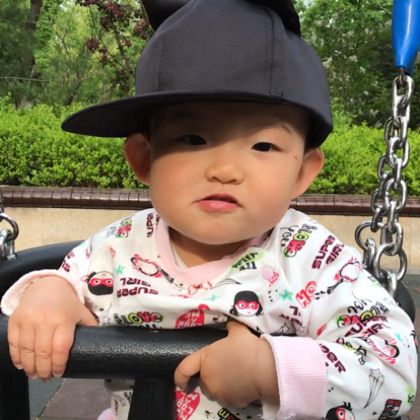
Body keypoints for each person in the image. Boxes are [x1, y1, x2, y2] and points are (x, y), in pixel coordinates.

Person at [1, 0, 417, 419]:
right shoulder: (117, 248)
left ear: (302, 173)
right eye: (193, 139)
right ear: (144, 159)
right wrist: (50, 295)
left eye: (263, 145)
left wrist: (272, 370)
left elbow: (396, 372)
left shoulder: (314, 261)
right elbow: (67, 285)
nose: (224, 170)